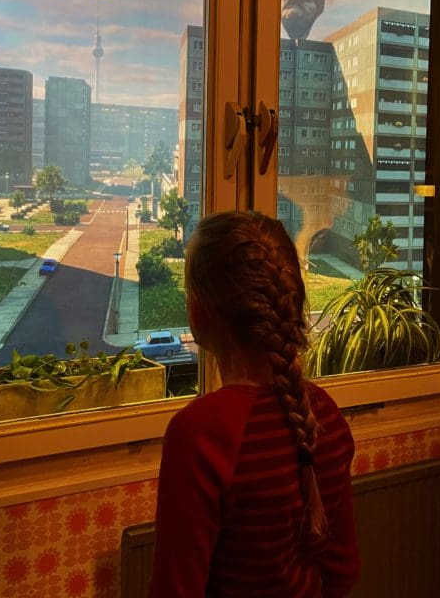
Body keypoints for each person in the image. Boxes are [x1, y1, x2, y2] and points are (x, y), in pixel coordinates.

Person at [148, 211, 359, 598]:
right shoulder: (323, 413)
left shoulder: (200, 435)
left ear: (198, 312)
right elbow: (342, 570)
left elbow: (175, 589)